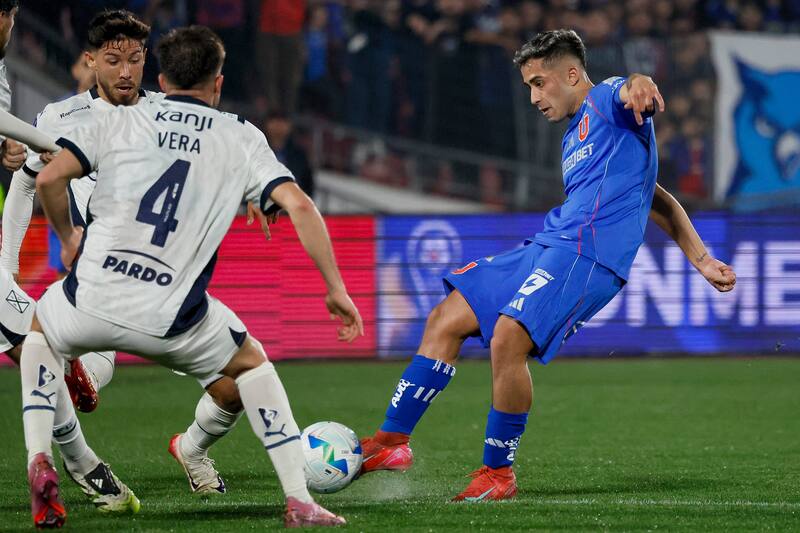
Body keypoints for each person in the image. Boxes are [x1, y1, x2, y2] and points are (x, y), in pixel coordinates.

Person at [358, 29, 737, 501]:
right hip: (548, 244)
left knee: (508, 338)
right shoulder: (575, 139)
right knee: (447, 316)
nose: (535, 97)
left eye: (540, 83)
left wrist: (639, 83)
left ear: (572, 74)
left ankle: (498, 474)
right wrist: (701, 258)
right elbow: (655, 199)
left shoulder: (605, 103)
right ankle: (392, 441)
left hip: (587, 255)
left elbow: (628, 86)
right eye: (529, 87)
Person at [20, 25, 362, 528]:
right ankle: (299, 500)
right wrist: (336, 288)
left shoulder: (121, 119)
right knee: (252, 367)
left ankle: (38, 456)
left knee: (40, 335)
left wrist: (69, 238)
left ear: (159, 76)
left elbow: (49, 178)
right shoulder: (242, 136)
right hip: (173, 316)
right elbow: (301, 205)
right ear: (218, 84)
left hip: (91, 299)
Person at [1, 9, 264, 510]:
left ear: (150, 63)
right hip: (101, 284)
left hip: (171, 284)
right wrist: (8, 265)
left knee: (236, 390)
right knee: (75, 368)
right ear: (90, 61)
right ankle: (71, 434)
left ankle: (192, 449)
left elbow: (225, 148)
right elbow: (27, 181)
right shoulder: (62, 118)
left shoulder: (168, 113)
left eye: (136, 60)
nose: (126, 72)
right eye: (114, 60)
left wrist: (257, 187)